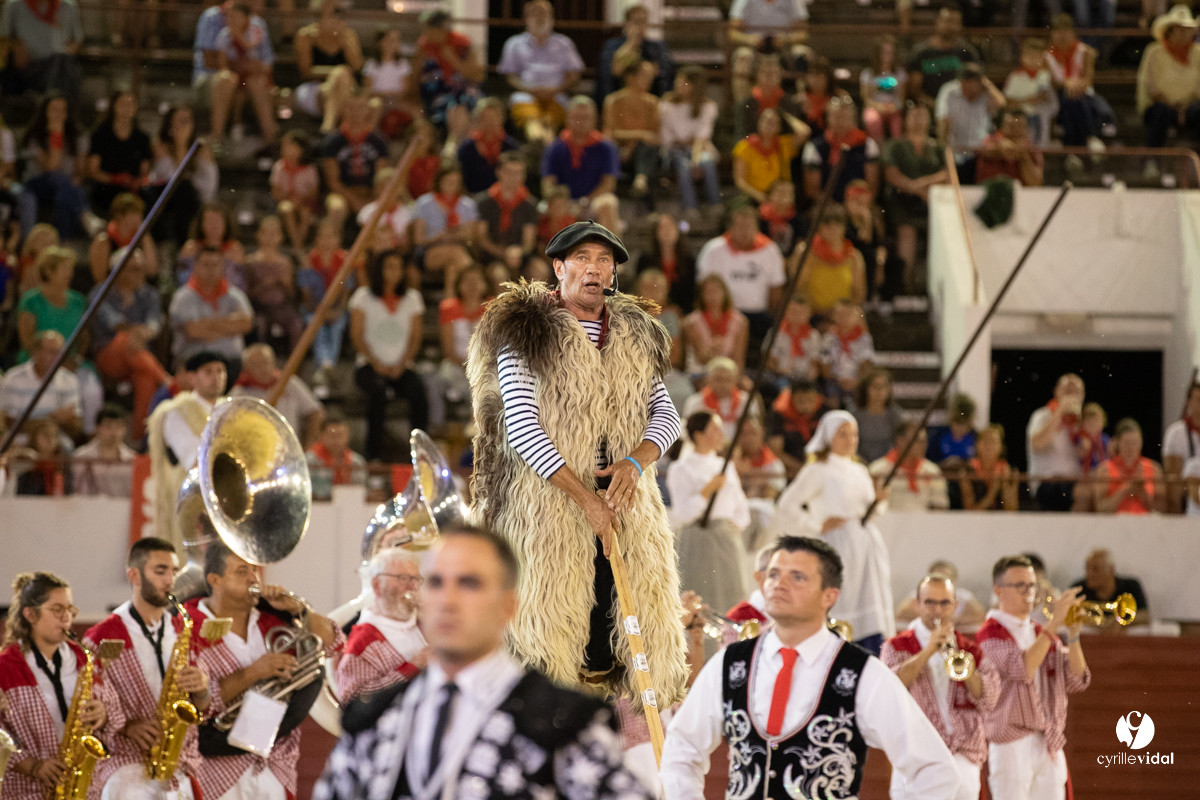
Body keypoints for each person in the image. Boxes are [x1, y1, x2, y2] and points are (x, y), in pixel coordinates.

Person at [466, 219, 689, 705]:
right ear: (559, 267)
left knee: (631, 641)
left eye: (604, 260)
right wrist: (586, 499)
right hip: (547, 508)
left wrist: (635, 463)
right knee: (547, 637)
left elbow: (667, 413)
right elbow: (522, 426)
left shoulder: (634, 334)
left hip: (628, 505)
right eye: (583, 259)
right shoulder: (524, 332)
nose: (595, 269)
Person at [314, 526, 657, 799]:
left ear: (508, 606)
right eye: (435, 583)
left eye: (469, 583)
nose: (447, 600)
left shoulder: (564, 723)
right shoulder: (378, 721)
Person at [659, 536, 958, 797]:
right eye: (773, 574)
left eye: (798, 576)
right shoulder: (731, 663)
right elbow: (681, 748)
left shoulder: (862, 673)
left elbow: (935, 769)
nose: (779, 583)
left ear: (830, 596)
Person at [185, 541, 341, 800]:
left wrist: (298, 609)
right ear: (215, 579)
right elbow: (192, 706)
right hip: (216, 772)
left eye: (254, 570)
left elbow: (334, 642)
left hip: (274, 767)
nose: (253, 578)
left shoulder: (275, 619)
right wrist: (253, 672)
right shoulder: (186, 628)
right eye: (241, 571)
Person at [84, 538, 211, 800]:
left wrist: (202, 689)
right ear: (134, 575)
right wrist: (128, 727)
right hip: (125, 766)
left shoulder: (182, 629)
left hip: (179, 764)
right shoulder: (102, 636)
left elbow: (204, 706)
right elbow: (87, 707)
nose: (170, 580)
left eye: (174, 572)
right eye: (160, 571)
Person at [770, 412, 894, 653]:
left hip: (866, 545)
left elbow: (872, 509)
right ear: (828, 437)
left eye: (854, 434)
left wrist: (879, 501)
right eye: (843, 434)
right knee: (842, 598)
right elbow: (787, 502)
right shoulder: (818, 469)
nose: (850, 440)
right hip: (838, 545)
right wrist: (815, 524)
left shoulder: (859, 470)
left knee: (870, 599)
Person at [979, 555, 1091, 800]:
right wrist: (1054, 623)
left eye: (1031, 585)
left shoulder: (1041, 633)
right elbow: (1023, 669)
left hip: (1047, 739)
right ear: (998, 591)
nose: (1028, 592)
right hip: (1010, 742)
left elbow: (1076, 679)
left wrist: (1073, 636)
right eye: (1020, 586)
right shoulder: (989, 634)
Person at [0, 572, 120, 799]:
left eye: (70, 610)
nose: (67, 618)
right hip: (26, 790)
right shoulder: (5, 666)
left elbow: (117, 714)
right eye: (57, 610)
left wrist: (103, 715)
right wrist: (33, 766)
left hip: (85, 789)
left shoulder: (84, 659)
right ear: (30, 615)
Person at [882, 573, 1000, 800]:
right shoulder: (896, 646)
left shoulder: (970, 649)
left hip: (962, 753)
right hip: (915, 754)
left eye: (944, 603)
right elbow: (890, 689)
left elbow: (990, 698)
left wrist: (965, 669)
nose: (937, 610)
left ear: (955, 606)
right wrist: (927, 652)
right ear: (917, 605)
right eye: (930, 602)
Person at [668, 411, 750, 617]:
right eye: (715, 429)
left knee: (730, 595)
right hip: (696, 537)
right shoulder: (681, 468)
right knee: (699, 595)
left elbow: (740, 504)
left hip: (724, 537)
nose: (721, 435)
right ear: (698, 435)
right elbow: (683, 513)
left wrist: (735, 525)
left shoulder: (726, 466)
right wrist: (707, 491)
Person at [350, 248, 427, 460]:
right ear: (379, 270)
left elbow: (415, 337)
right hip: (369, 365)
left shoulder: (412, 299)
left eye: (399, 267)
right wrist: (375, 362)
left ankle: (421, 454)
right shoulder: (363, 297)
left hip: (402, 366)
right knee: (377, 393)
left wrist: (402, 363)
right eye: (389, 267)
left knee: (418, 392)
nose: (395, 272)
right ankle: (373, 455)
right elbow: (357, 335)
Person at [147, 351, 227, 546]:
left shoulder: (232, 411)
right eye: (208, 372)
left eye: (220, 371)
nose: (216, 377)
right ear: (192, 377)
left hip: (226, 503)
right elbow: (194, 463)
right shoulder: (176, 412)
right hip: (190, 503)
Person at [336, 547, 429, 703]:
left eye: (416, 579)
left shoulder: (426, 620)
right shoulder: (363, 641)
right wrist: (412, 667)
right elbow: (352, 700)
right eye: (403, 578)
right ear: (377, 585)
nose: (413, 587)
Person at [697, 201, 786, 343]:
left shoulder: (770, 250)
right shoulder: (713, 250)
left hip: (758, 315)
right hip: (723, 314)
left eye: (749, 226)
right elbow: (703, 286)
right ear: (730, 227)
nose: (745, 231)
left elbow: (776, 289)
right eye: (740, 226)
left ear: (757, 227)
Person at [498, 0, 584, 142]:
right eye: (535, 13)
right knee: (531, 120)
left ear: (552, 17)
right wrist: (530, 90)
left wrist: (556, 89)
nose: (539, 17)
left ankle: (541, 144)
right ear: (526, 18)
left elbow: (574, 74)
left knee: (554, 118)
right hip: (526, 95)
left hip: (556, 95)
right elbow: (509, 76)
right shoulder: (514, 44)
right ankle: (541, 143)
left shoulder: (564, 43)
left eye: (544, 13)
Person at [15, 91, 95, 241]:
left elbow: (80, 170)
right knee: (59, 179)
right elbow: (52, 167)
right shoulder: (34, 137)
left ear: (67, 113)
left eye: (62, 110)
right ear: (45, 112)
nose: (58, 114)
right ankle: (86, 216)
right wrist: (56, 135)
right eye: (54, 109)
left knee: (65, 192)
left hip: (63, 187)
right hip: (37, 185)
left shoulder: (78, 137)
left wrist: (77, 178)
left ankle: (62, 243)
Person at [883, 104, 948, 287]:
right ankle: (906, 283)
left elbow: (947, 174)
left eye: (922, 115)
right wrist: (919, 190)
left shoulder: (937, 147)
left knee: (937, 233)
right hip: (903, 201)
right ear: (906, 120)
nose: (918, 120)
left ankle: (932, 286)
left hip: (932, 201)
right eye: (914, 115)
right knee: (907, 231)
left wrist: (920, 185)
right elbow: (892, 175)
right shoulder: (895, 146)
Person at [168, 246, 254, 369]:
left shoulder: (235, 295)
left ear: (223, 267)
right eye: (206, 265)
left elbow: (246, 324)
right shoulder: (183, 297)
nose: (211, 270)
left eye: (215, 265)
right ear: (196, 266)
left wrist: (209, 324)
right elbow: (194, 331)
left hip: (232, 361)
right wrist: (230, 327)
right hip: (194, 362)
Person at [210, 1, 278, 151]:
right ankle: (216, 139)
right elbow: (223, 66)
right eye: (229, 16)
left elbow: (264, 64)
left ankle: (270, 138)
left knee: (257, 82)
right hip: (235, 82)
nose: (231, 20)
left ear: (245, 18)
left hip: (254, 80)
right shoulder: (225, 35)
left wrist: (240, 38)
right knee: (224, 80)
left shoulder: (256, 30)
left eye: (235, 16)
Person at [231, 343, 324, 447]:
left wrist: (310, 445)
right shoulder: (240, 392)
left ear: (274, 362)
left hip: (289, 449)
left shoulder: (289, 383)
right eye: (256, 365)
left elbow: (315, 411)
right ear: (246, 368)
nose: (262, 368)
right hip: (256, 449)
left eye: (265, 362)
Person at [1046, 14, 1116, 149]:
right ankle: (1090, 137)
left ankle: (1071, 148)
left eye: (1065, 31)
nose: (1062, 36)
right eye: (1058, 32)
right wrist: (1067, 84)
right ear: (1052, 35)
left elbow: (1088, 80)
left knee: (1075, 100)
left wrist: (1076, 84)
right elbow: (1052, 82)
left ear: (1072, 33)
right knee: (1070, 99)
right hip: (1058, 96)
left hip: (1082, 94)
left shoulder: (1085, 52)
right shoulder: (1047, 56)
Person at [293, 0, 363, 133]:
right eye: (329, 11)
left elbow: (357, 66)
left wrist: (343, 40)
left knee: (342, 79)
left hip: (345, 87)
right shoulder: (305, 35)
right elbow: (305, 71)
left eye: (336, 11)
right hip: (313, 89)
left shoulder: (348, 35)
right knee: (341, 73)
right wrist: (336, 73)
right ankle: (341, 131)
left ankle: (328, 128)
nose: (333, 16)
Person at [1137, 5, 1200, 148]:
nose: (1185, 33)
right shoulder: (1154, 51)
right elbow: (1149, 84)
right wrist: (1173, 106)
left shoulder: (1198, 53)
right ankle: (1152, 160)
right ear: (1169, 31)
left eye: (1188, 29)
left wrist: (1185, 107)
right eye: (1180, 28)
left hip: (1190, 107)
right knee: (1161, 112)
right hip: (1160, 105)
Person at [0, 329, 81, 438]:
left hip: (57, 443)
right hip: (21, 441)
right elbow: (9, 423)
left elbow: (76, 427)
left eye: (60, 352)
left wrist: (39, 423)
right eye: (52, 352)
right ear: (35, 352)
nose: (57, 357)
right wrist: (52, 420)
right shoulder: (13, 378)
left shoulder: (69, 380)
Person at [0, 0, 82, 107]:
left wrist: (69, 52)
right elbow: (3, 38)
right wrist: (15, 46)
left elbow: (78, 39)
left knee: (64, 65)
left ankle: (55, 107)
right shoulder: (14, 5)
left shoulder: (68, 6)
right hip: (27, 66)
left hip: (56, 65)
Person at [321, 91, 389, 219]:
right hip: (343, 193)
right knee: (336, 208)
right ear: (344, 109)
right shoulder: (334, 141)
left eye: (360, 108)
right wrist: (355, 201)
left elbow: (381, 177)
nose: (355, 112)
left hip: (370, 192)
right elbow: (333, 182)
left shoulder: (378, 141)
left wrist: (372, 200)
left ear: (367, 110)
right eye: (351, 108)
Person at [800, 97, 880, 204]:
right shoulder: (814, 148)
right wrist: (835, 208)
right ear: (828, 118)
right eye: (837, 116)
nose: (841, 121)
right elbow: (813, 190)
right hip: (828, 207)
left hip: (860, 203)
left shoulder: (868, 145)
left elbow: (872, 185)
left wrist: (859, 205)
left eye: (845, 116)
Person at [540, 96, 619, 202]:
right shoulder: (556, 146)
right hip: (562, 203)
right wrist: (561, 201)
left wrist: (586, 201)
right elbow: (548, 183)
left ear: (595, 120)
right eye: (577, 117)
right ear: (567, 119)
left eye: (586, 117)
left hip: (592, 202)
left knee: (608, 203)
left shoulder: (606, 147)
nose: (581, 122)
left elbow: (609, 184)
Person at [243, 215, 304, 353]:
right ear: (259, 235)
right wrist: (264, 286)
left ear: (280, 236)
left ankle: (295, 365)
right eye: (266, 233)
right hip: (258, 307)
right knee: (260, 326)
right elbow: (246, 293)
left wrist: (285, 283)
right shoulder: (251, 261)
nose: (270, 237)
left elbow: (292, 294)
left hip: (280, 307)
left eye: (274, 233)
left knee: (296, 324)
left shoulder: (285, 262)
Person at [795, 205, 867, 320]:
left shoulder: (854, 257)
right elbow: (798, 289)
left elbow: (859, 296)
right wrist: (818, 312)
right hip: (809, 316)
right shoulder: (805, 252)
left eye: (837, 224)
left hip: (841, 318)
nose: (832, 228)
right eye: (827, 223)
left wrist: (839, 314)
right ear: (818, 226)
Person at [936, 64, 1004, 184]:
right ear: (961, 83)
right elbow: (943, 120)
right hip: (955, 152)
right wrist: (943, 148)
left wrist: (987, 85)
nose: (969, 91)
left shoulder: (986, 93)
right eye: (966, 86)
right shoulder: (949, 91)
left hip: (980, 154)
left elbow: (1001, 103)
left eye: (973, 86)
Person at [1027, 372, 1085, 512]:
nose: (1071, 395)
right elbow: (1037, 444)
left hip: (1075, 487)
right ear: (1056, 392)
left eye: (1075, 391)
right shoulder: (1042, 415)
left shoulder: (1084, 422)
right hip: (1048, 485)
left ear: (1082, 396)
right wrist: (1059, 413)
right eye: (1067, 391)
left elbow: (1088, 454)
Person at [603, 59, 661, 198]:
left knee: (650, 148)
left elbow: (653, 135)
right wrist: (638, 136)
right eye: (645, 75)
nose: (650, 79)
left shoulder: (653, 102)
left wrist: (633, 144)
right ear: (631, 77)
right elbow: (611, 132)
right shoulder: (613, 100)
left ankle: (641, 180)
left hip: (641, 152)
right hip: (619, 150)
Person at [595, 3, 673, 105]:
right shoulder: (612, 45)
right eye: (636, 21)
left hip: (650, 95)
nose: (640, 26)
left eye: (644, 21)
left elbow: (660, 71)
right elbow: (612, 71)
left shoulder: (656, 46)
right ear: (627, 23)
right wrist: (631, 43)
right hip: (619, 94)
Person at [475, 152, 538, 269]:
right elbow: (482, 238)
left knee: (539, 271)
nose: (513, 177)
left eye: (518, 173)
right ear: (499, 172)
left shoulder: (529, 204)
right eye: (509, 172)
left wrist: (518, 252)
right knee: (499, 274)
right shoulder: (485, 201)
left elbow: (529, 241)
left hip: (520, 255)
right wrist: (504, 253)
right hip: (492, 256)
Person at [869, 421, 949, 512]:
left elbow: (940, 507)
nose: (923, 445)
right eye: (918, 441)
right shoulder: (877, 469)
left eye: (925, 441)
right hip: (889, 523)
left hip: (924, 524)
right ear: (900, 441)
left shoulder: (933, 471)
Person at [906, 8, 980, 105]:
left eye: (956, 23)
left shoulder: (967, 52)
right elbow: (914, 90)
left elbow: (975, 83)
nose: (951, 27)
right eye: (948, 21)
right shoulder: (920, 53)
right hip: (928, 106)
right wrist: (937, 106)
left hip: (961, 106)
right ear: (937, 22)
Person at [1092, 417, 1165, 514]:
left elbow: (1163, 509)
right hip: (1115, 524)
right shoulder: (1105, 469)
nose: (1131, 447)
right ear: (1118, 442)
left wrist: (1143, 494)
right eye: (1127, 442)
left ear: (1141, 443)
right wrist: (1124, 490)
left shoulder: (1154, 469)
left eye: (1135, 442)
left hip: (1146, 523)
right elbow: (1100, 509)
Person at [682, 274, 748, 376]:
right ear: (701, 295)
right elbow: (701, 359)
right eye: (708, 292)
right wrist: (712, 350)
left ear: (725, 293)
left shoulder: (740, 322)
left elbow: (739, 359)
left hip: (729, 376)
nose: (713, 296)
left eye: (716, 291)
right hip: (700, 373)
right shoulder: (691, 322)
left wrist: (737, 379)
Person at [731, 108, 802, 203]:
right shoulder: (745, 147)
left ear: (779, 127)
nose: (768, 123)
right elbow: (740, 181)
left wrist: (783, 114)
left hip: (780, 199)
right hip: (754, 199)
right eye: (764, 119)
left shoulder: (783, 145)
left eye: (772, 121)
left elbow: (803, 132)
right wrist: (761, 197)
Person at [1069, 548, 1149, 627]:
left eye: (1095, 569)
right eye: (1087, 569)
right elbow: (1065, 615)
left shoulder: (1131, 586)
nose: (1089, 574)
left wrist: (1121, 620)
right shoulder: (1077, 589)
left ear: (1111, 570)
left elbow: (1145, 616)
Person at [894, 560, 988, 627]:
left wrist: (956, 620)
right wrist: (927, 618)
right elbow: (899, 613)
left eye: (945, 603)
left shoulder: (964, 597)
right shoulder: (919, 594)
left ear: (954, 580)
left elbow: (981, 615)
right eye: (930, 602)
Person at [766, 376, 828, 477]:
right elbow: (775, 450)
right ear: (791, 398)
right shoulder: (779, 413)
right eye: (801, 401)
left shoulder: (825, 412)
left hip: (821, 465)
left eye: (811, 400)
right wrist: (802, 469)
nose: (807, 406)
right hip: (792, 468)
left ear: (818, 398)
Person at [457, 98, 521, 195]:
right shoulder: (467, 148)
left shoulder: (511, 147)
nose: (490, 121)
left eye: (494, 117)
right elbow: (460, 180)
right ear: (478, 120)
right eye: (485, 117)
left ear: (502, 118)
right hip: (472, 198)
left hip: (504, 198)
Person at [70, 403, 136, 497]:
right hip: (89, 509)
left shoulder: (133, 459)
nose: (114, 432)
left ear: (124, 429)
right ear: (97, 428)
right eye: (108, 426)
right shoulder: (81, 456)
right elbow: (80, 493)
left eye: (118, 426)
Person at [681, 357, 753, 442]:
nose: (723, 384)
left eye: (727, 379)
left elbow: (753, 430)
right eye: (718, 379)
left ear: (735, 381)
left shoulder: (746, 401)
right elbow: (686, 432)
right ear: (708, 380)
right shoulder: (695, 402)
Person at [1004, 39, 1057, 147]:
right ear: (1022, 57)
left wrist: (1036, 100)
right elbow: (1008, 101)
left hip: (1040, 118)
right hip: (1019, 119)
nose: (1033, 59)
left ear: (1042, 59)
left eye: (1036, 56)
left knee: (1039, 144)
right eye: (1029, 56)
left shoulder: (1045, 76)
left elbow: (1046, 99)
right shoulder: (1015, 76)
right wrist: (1027, 101)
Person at [819, 298, 874, 402]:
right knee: (829, 392)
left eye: (848, 314)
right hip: (835, 380)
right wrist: (838, 379)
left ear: (856, 317)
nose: (844, 318)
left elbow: (867, 363)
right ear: (834, 316)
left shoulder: (863, 338)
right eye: (840, 314)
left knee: (865, 389)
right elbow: (825, 365)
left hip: (856, 380)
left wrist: (856, 381)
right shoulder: (829, 338)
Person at [975, 109, 1045, 187]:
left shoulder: (1033, 151)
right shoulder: (991, 142)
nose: (1015, 131)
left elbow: (1036, 183)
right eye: (1010, 126)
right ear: (1001, 128)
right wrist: (999, 146)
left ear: (1027, 130)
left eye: (1019, 126)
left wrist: (1024, 156)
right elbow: (985, 151)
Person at [960, 423, 1020, 511]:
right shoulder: (967, 471)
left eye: (993, 441)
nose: (989, 445)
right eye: (985, 440)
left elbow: (1012, 511)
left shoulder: (1010, 471)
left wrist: (1006, 487)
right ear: (977, 445)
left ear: (1001, 447)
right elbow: (970, 512)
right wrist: (993, 491)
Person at [849, 366, 902, 463]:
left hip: (887, 466)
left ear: (889, 390)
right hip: (860, 464)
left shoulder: (894, 414)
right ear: (866, 388)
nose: (879, 391)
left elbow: (898, 443)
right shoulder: (855, 413)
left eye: (883, 387)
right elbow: (851, 444)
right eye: (875, 386)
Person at [861, 35, 906, 143]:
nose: (887, 56)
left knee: (897, 126)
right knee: (872, 120)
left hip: (894, 108)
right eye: (885, 52)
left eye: (890, 52)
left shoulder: (900, 74)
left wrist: (893, 107)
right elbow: (866, 98)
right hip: (875, 107)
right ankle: (879, 151)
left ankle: (895, 152)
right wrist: (878, 107)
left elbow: (901, 98)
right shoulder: (868, 74)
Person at [1163, 382, 1200, 513]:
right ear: (1188, 402)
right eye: (1197, 399)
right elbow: (1173, 475)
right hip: (1187, 494)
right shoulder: (1176, 432)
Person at [306, 411, 367, 489]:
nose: (337, 441)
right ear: (322, 436)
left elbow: (363, 490)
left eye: (341, 436)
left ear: (348, 436)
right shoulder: (309, 460)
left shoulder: (357, 462)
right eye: (333, 436)